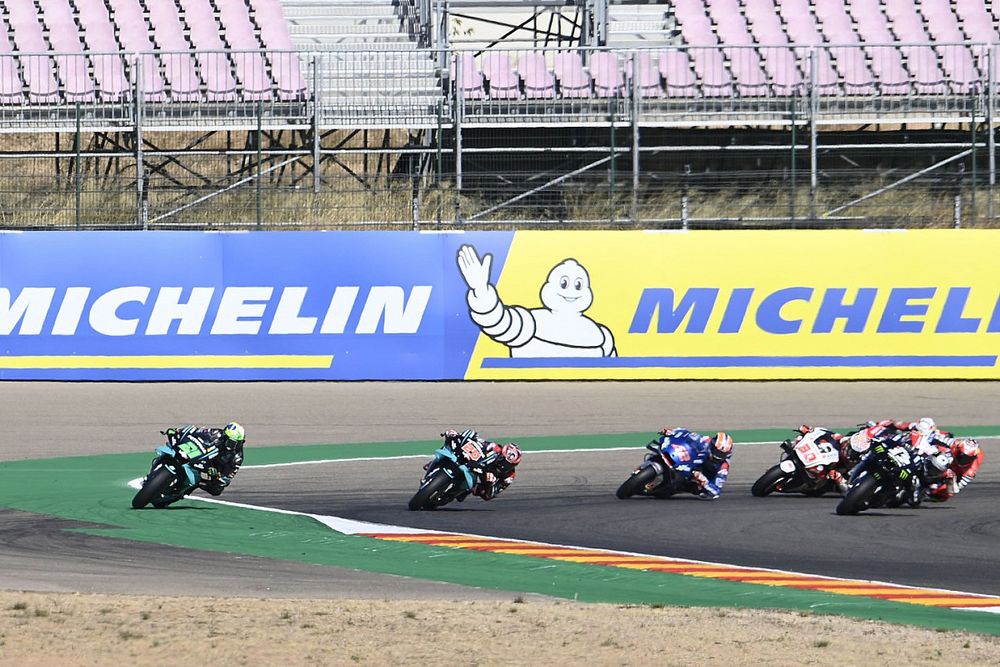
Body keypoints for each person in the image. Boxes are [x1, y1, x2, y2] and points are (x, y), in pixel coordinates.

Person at [162, 422, 246, 496]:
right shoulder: (215, 433)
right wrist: (178, 431)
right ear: (224, 435)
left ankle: (188, 488)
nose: (230, 445)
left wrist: (217, 476)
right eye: (229, 441)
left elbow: (226, 479)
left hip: (214, 468)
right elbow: (196, 432)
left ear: (240, 443)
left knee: (216, 490)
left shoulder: (237, 458)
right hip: (201, 455)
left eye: (234, 443)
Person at [441, 428, 521, 501]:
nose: (504, 466)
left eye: (509, 465)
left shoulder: (509, 476)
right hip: (474, 463)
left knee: (478, 491)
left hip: (480, 476)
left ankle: (458, 492)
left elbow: (490, 495)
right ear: (501, 455)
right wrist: (458, 436)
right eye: (504, 461)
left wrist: (489, 484)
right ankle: (437, 461)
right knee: (456, 443)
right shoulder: (494, 447)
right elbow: (478, 442)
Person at [657, 427, 733, 500]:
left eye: (721, 454)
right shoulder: (705, 440)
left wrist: (703, 480)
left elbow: (716, 491)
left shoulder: (723, 467)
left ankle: (670, 489)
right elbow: (686, 433)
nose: (717, 456)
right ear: (712, 445)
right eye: (717, 452)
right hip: (687, 460)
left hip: (698, 476)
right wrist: (672, 432)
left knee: (696, 488)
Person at [927, 437, 985, 502]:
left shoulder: (971, 472)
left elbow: (956, 489)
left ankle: (934, 489)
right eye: (962, 455)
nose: (964, 460)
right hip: (949, 460)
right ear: (958, 449)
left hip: (956, 474)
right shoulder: (955, 443)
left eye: (968, 458)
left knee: (949, 492)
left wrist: (951, 481)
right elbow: (937, 438)